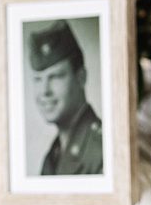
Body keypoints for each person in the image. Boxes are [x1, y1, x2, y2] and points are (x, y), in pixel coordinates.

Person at [27, 19, 104, 177]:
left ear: (81, 77)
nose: (44, 91)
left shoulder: (101, 150)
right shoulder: (54, 154)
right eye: (38, 79)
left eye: (55, 77)